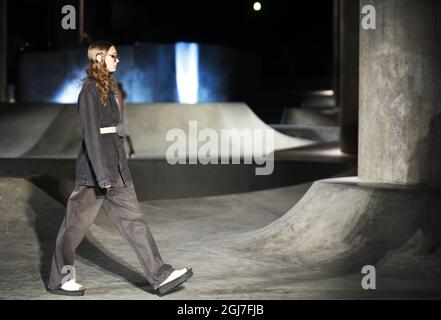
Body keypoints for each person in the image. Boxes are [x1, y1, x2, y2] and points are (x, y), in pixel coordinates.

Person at [47, 40, 192, 296]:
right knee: (74, 227)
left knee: (134, 221)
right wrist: (102, 174)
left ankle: (160, 276)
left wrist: (116, 167)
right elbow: (91, 135)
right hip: (95, 172)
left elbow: (112, 129)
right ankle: (60, 280)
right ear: (100, 57)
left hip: (116, 166)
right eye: (114, 55)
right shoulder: (89, 90)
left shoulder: (108, 86)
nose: (117, 59)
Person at [115, 82, 135, 158]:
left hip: (121, 118)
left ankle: (129, 151)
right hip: (122, 118)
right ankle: (130, 150)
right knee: (125, 135)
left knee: (123, 135)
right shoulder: (120, 95)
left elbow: (121, 107)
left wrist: (121, 118)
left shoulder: (120, 95)